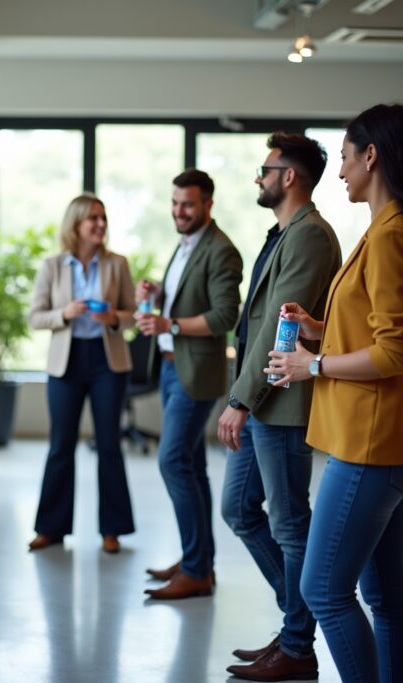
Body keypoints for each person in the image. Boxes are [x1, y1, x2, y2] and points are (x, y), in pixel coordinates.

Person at [266, 103, 403, 683]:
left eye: (345, 158)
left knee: (322, 590)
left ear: (371, 156)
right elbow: (374, 330)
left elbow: (394, 352)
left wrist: (313, 363)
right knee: (386, 599)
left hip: (367, 444)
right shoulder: (382, 229)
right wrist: (321, 328)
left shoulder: (391, 235)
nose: (340, 171)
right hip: (379, 442)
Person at [219, 133, 342, 682]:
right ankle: (297, 618)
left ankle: (297, 645)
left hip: (282, 401)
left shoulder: (310, 235)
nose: (258, 177)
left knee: (290, 525)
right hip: (263, 401)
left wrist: (241, 399)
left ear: (289, 176)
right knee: (239, 510)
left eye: (265, 169)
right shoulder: (285, 232)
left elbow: (278, 324)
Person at [137, 169, 242, 599]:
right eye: (175, 203)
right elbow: (186, 299)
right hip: (169, 367)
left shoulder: (221, 250)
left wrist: (170, 324)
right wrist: (158, 295)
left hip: (194, 374)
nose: (179, 211)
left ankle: (197, 569)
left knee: (172, 461)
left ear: (207, 205)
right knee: (192, 467)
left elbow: (224, 316)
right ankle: (197, 561)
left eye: (188, 204)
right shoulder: (184, 244)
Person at [27, 193, 136, 554]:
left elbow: (133, 316)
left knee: (109, 444)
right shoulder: (53, 266)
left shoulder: (117, 264)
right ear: (76, 224)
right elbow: (34, 317)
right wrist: (65, 313)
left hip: (107, 362)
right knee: (61, 445)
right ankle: (51, 528)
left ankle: (112, 530)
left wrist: (113, 317)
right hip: (67, 361)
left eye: (103, 218)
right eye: (93, 218)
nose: (101, 224)